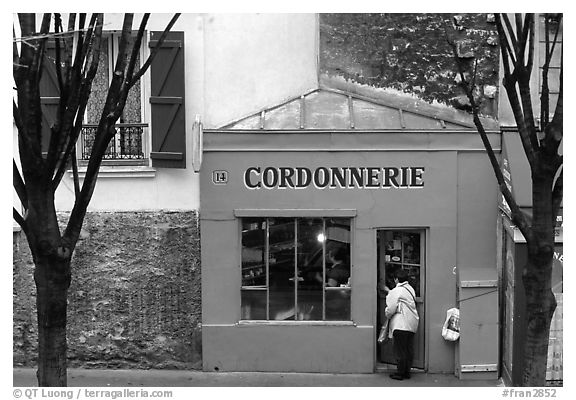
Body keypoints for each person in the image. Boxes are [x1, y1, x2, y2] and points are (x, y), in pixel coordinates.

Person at [384, 269, 419, 380]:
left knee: (399, 350)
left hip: (401, 324)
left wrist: (386, 313)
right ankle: (406, 372)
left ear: (396, 279)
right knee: (408, 349)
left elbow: (390, 309)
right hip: (412, 323)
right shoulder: (410, 289)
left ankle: (400, 373)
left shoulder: (396, 291)